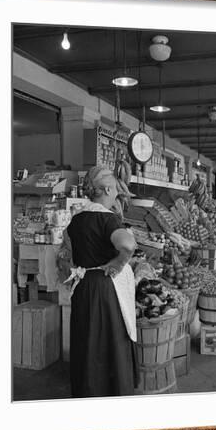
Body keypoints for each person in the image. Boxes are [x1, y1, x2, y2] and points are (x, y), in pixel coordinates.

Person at [64, 166, 138, 397]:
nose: (117, 192)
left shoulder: (76, 219)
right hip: (105, 288)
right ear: (106, 189)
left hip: (83, 285)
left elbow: (66, 248)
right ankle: (112, 393)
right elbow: (128, 244)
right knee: (109, 341)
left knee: (87, 342)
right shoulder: (107, 219)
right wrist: (118, 263)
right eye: (115, 188)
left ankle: (87, 391)